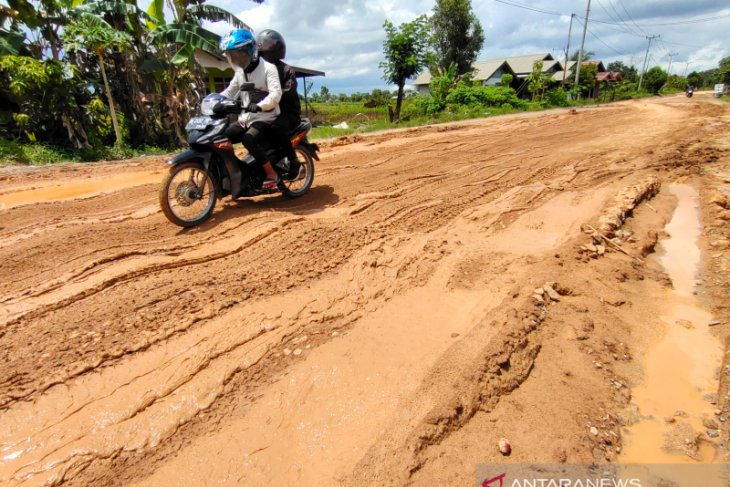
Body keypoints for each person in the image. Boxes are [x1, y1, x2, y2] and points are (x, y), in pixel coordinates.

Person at [219, 29, 282, 190]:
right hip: (245, 118)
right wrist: (212, 100)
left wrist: (260, 105)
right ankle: (234, 172)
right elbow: (229, 92)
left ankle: (271, 174)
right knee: (221, 137)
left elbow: (276, 93)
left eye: (238, 55)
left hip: (265, 116)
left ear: (249, 51)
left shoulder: (268, 68)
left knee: (249, 139)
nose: (235, 59)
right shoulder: (240, 72)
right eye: (231, 56)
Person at [256, 29, 302, 180]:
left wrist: (269, 96)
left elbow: (287, 91)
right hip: (268, 112)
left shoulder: (287, 70)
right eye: (261, 45)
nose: (263, 48)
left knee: (276, 127)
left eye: (267, 45)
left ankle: (294, 161)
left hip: (288, 113)